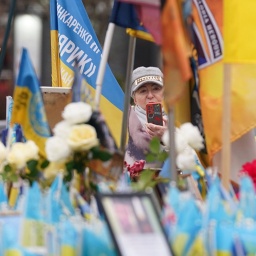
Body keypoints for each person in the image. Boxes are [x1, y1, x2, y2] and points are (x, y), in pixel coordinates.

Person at [124, 66, 168, 168]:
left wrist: (167, 138)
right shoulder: (125, 118)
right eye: (143, 91)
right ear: (134, 98)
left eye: (156, 89)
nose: (150, 95)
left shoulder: (178, 117)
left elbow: (192, 156)